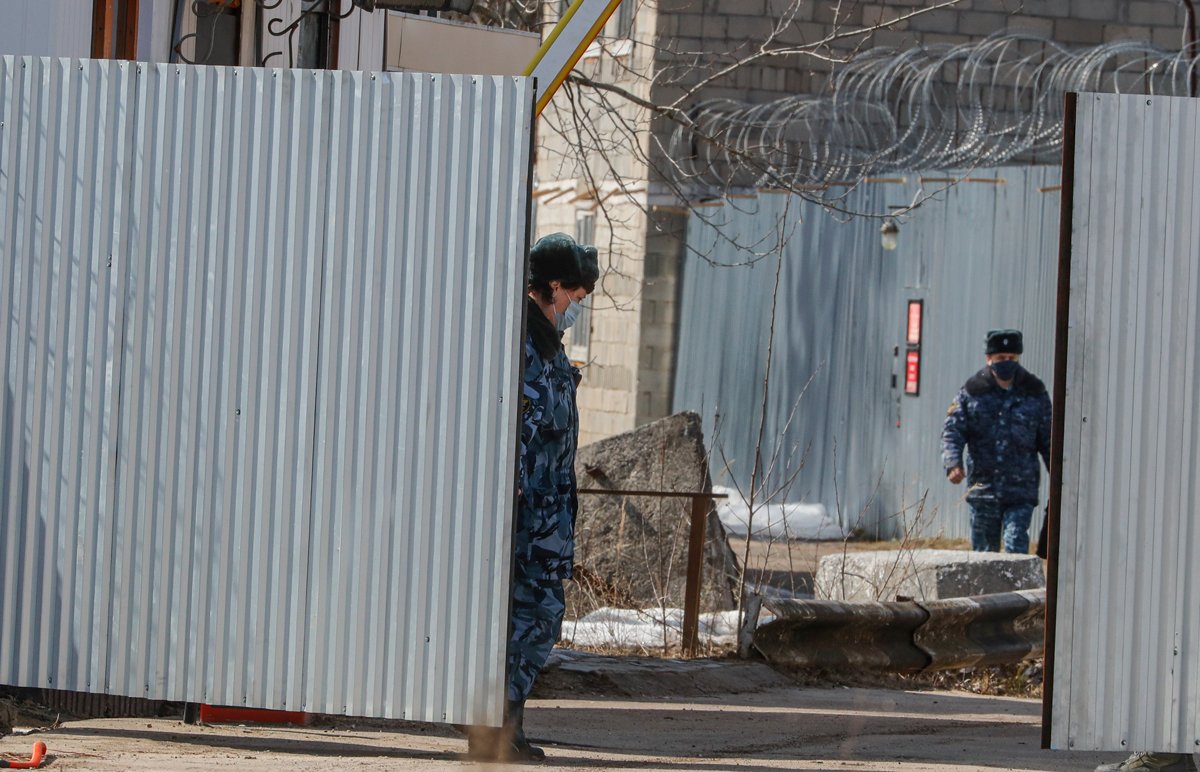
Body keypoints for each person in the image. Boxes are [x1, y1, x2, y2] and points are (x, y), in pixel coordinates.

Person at [467, 232, 599, 762]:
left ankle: (506, 726)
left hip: (544, 517)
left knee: (531, 619)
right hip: (528, 520)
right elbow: (515, 436)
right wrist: (515, 505)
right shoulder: (523, 346)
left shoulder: (546, 345)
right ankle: (497, 730)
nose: (575, 309)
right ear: (554, 286)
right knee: (534, 617)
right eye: (576, 296)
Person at [941, 329, 1051, 553]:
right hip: (983, 489)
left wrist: (1060, 477)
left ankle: (1017, 590)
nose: (1007, 362)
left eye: (1012, 358)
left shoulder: (1034, 392)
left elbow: (1049, 439)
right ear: (989, 359)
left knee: (1015, 544)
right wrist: (953, 463)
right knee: (984, 557)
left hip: (1021, 489)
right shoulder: (972, 392)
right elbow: (952, 430)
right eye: (1001, 358)